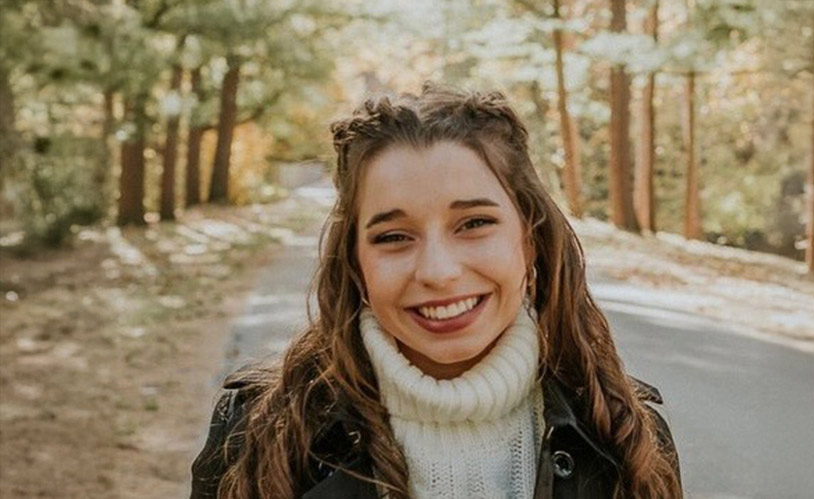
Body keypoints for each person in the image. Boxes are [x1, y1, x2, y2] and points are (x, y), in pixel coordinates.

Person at [190, 84, 682, 499]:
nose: (439, 272)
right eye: (393, 236)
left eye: (473, 223)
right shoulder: (257, 432)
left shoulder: (623, 437)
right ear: (356, 263)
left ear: (529, 239)